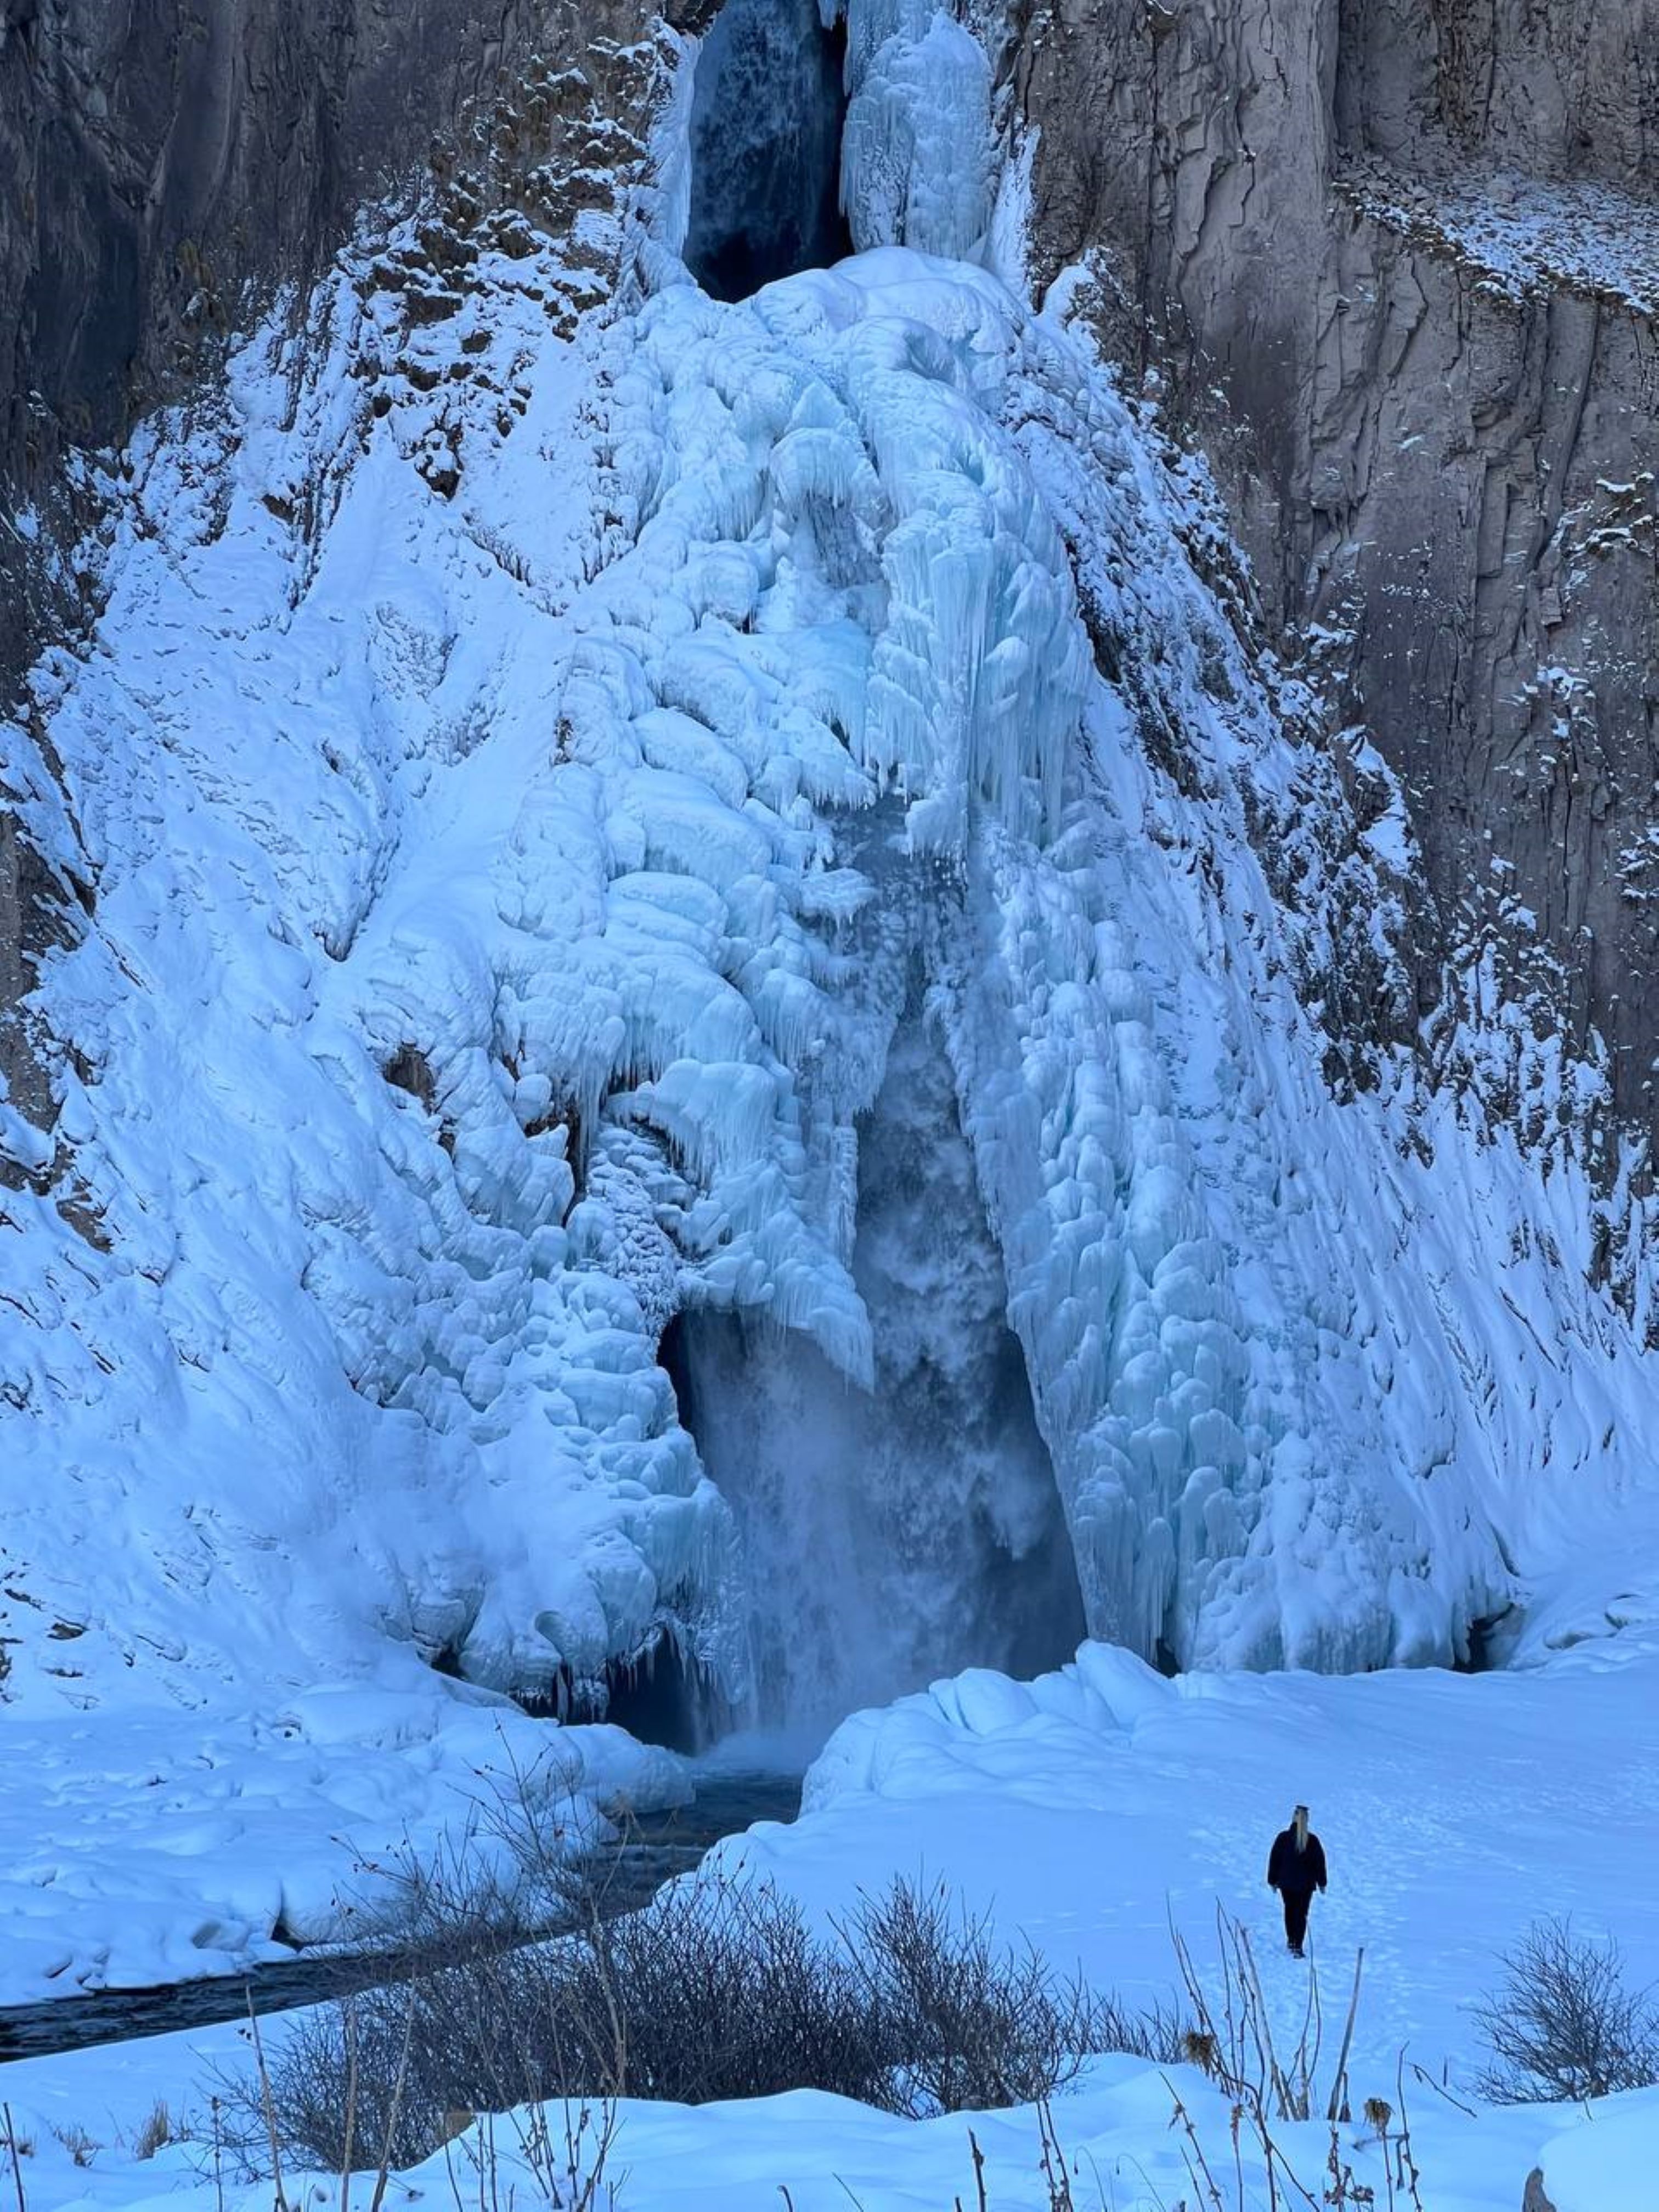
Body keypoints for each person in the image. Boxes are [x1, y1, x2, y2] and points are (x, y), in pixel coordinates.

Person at [1266, 1803, 1327, 1957]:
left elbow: (1275, 1860)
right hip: (1306, 1885)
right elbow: (1319, 1863)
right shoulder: (1312, 1841)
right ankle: (1298, 1945)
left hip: (1286, 1883)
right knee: (1301, 1914)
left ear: (1293, 1818)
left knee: (1290, 1910)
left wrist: (1272, 1880)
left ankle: (1291, 1940)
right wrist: (1322, 1882)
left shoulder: (1283, 1838)